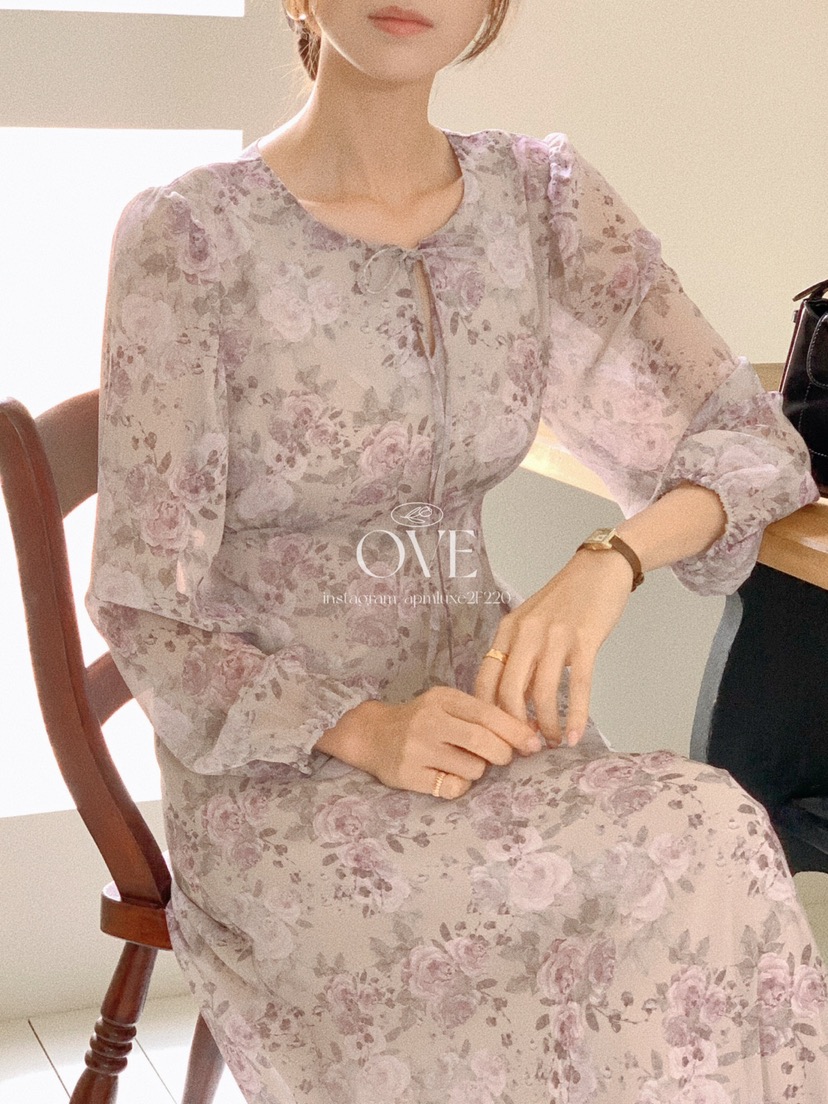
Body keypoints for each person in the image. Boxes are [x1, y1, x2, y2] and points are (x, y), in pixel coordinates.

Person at [87, 2, 828, 1101]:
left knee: (709, 835)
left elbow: (751, 444)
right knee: (676, 859)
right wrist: (367, 728)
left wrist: (609, 560)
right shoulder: (192, 238)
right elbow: (147, 607)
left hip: (494, 734)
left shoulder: (540, 204)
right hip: (286, 781)